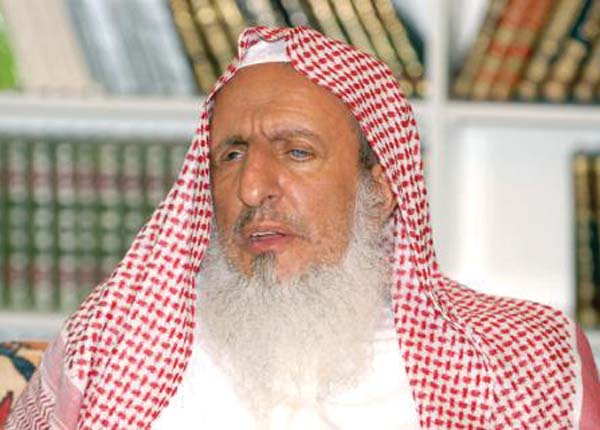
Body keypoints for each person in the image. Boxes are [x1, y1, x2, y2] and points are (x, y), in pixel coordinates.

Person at [7, 26, 600, 430]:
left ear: (379, 188)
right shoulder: (112, 346)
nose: (252, 188)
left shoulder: (521, 363)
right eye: (232, 155)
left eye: (296, 152)